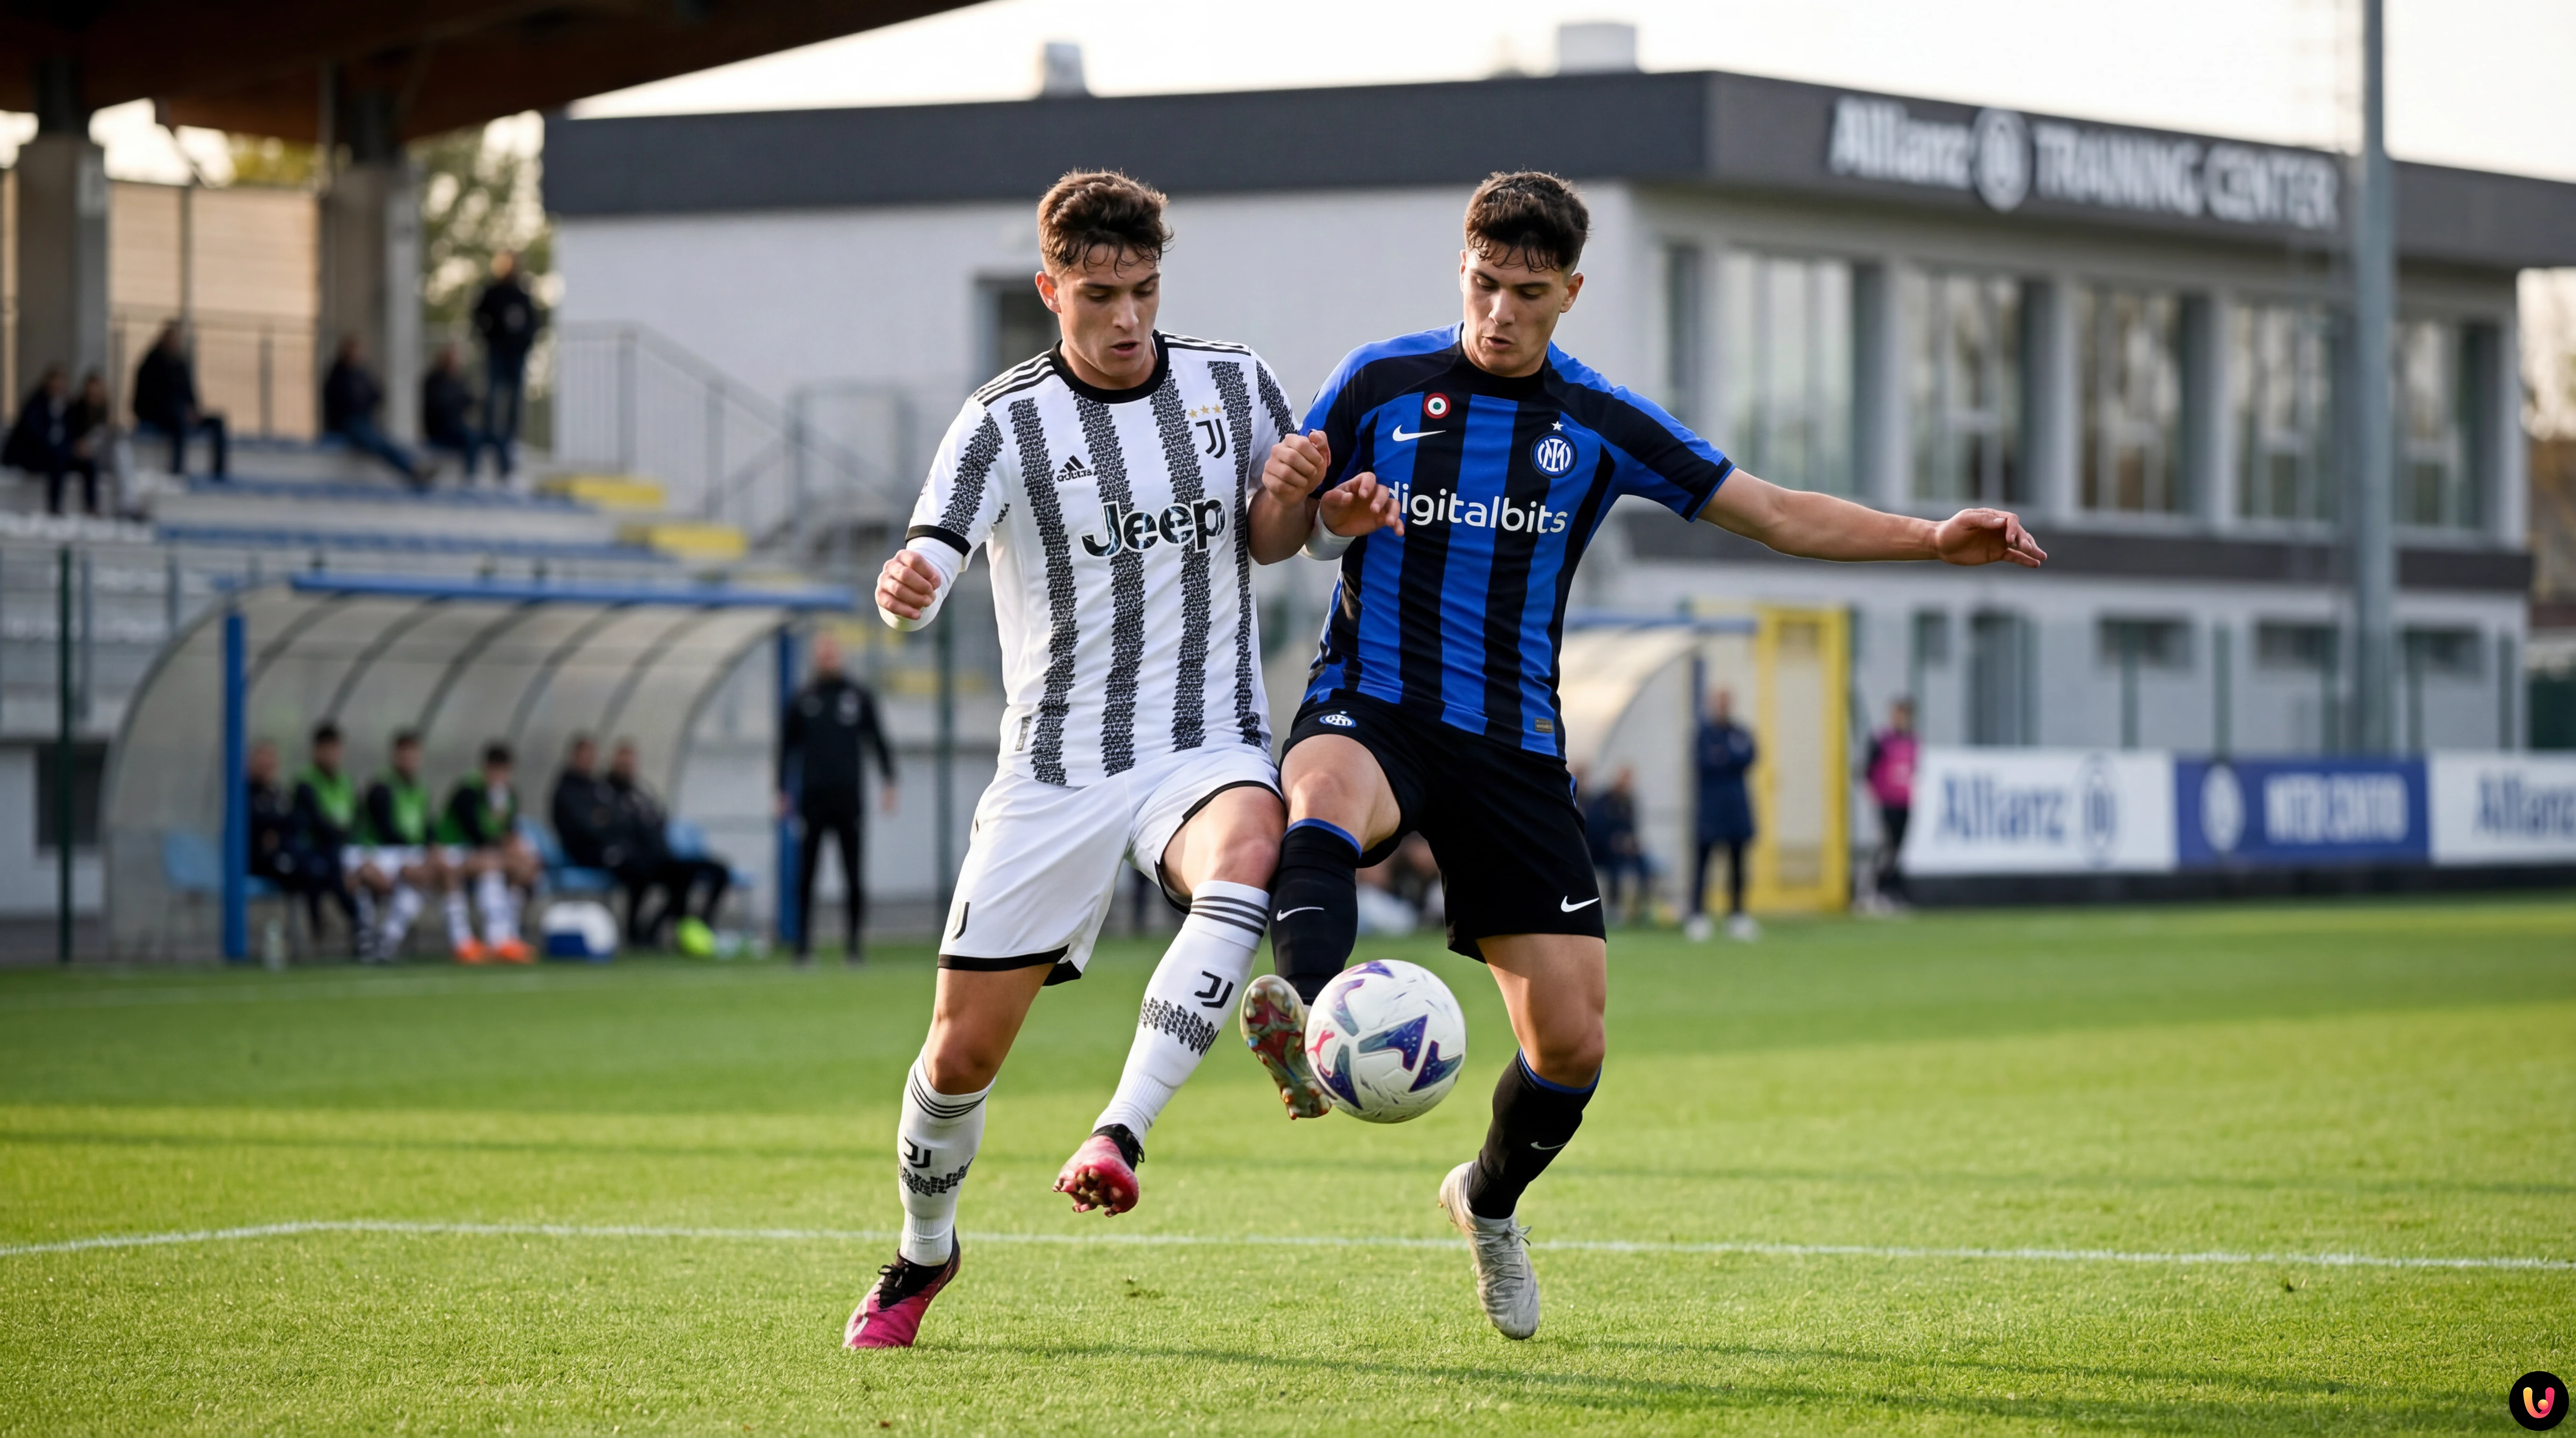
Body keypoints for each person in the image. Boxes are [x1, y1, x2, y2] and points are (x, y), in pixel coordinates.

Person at [1246, 171, 2045, 1342]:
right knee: (1317, 797)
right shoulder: (1378, 380)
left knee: (1571, 1040)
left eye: (1527, 291)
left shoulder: (1600, 421)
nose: (1500, 311)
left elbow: (1769, 511)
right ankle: (1317, 1022)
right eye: (1483, 283)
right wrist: (1317, 513)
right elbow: (1278, 537)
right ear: (1458, 269)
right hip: (1375, 697)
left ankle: (1486, 1199)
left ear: (1570, 290)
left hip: (1513, 746)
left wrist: (1929, 537)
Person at [847, 170, 1308, 1350]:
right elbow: (930, 551)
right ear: (1049, 287)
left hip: (1203, 739)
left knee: (1252, 848)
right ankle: (922, 1252)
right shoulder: (1000, 419)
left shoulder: (1233, 381)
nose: (1126, 317)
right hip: (1054, 766)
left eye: (1144, 290)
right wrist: (908, 586)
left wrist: (1320, 505)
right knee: (958, 1057)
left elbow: (1272, 533)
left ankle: (1120, 1131)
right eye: (1099, 293)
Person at [776, 632, 897, 966]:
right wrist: (781, 791)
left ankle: (854, 947)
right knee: (806, 875)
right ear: (816, 659)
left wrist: (889, 781)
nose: (828, 660)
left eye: (833, 654)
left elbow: (878, 739)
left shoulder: (857, 696)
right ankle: (802, 949)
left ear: (840, 657)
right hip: (812, 801)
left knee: (854, 875)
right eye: (823, 654)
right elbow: (786, 748)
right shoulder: (803, 698)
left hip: (849, 800)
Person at [353, 730, 468, 961]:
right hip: (382, 854)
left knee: (434, 871)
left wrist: (432, 847)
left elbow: (426, 827)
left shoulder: (420, 789)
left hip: (409, 854)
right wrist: (420, 855)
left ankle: (388, 941)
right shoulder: (381, 787)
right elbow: (387, 832)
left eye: (415, 756)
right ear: (395, 756)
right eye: (406, 755)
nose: (411, 761)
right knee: (425, 874)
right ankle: (460, 940)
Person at [608, 739, 730, 945]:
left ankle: (688, 927)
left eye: (630, 762)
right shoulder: (607, 793)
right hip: (632, 859)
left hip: (660, 856)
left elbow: (659, 818)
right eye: (623, 762)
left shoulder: (642, 790)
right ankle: (639, 934)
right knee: (642, 876)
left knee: (713, 872)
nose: (628, 766)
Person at [439, 742, 537, 963]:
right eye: (496, 770)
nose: (500, 776)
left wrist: (519, 855)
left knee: (514, 867)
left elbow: (510, 833)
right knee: (490, 867)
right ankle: (465, 942)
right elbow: (476, 836)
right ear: (486, 768)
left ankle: (506, 937)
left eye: (504, 771)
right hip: (455, 852)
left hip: (489, 856)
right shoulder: (468, 791)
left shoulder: (508, 795)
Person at [1687, 690, 1759, 943]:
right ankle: (1698, 916)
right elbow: (1705, 762)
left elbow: (1750, 757)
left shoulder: (1740, 732)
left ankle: (1737, 916)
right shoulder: (1704, 734)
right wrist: (1728, 758)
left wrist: (1725, 757)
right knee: (1704, 864)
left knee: (1738, 865)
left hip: (1737, 809)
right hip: (1710, 810)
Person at [290, 722, 364, 957]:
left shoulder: (346, 782)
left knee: (363, 871)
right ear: (317, 751)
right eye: (328, 749)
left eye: (336, 749)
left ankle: (365, 933)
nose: (333, 755)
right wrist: (341, 836)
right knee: (331, 869)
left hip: (343, 851)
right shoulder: (306, 782)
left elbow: (355, 823)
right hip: (315, 853)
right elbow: (318, 825)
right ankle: (355, 927)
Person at [472, 250, 541, 479]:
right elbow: (478, 317)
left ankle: (511, 439)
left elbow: (533, 323)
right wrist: (490, 336)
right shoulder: (492, 292)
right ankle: (491, 437)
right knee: (492, 397)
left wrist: (525, 343)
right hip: (497, 353)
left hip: (516, 354)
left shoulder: (522, 294)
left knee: (515, 400)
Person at [132, 322, 227, 478]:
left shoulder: (180, 364)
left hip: (181, 412)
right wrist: (181, 409)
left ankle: (219, 473)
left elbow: (190, 393)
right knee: (178, 419)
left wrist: (194, 411)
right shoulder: (151, 364)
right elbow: (150, 397)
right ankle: (177, 471)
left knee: (218, 421)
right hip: (157, 413)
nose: (175, 343)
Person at [323, 337, 422, 487]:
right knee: (379, 444)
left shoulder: (362, 373)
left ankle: (414, 466)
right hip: (348, 423)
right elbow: (342, 402)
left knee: (386, 442)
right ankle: (412, 470)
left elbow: (377, 394)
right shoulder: (338, 375)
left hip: (364, 420)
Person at [1863, 697, 1919, 910]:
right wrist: (1875, 795)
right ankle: (1877, 891)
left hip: (1905, 801)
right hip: (1885, 801)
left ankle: (1894, 892)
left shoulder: (1913, 741)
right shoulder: (1881, 740)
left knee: (1899, 848)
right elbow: (1868, 770)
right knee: (1886, 847)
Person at [1582, 765, 1648, 927]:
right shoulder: (1603, 801)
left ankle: (1640, 910)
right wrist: (1613, 841)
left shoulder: (1629, 802)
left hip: (1623, 850)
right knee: (1615, 866)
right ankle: (1614, 908)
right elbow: (1594, 828)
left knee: (1644, 865)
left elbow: (1632, 828)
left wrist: (1632, 842)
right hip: (1602, 850)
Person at [4, 367, 76, 511]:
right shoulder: (36, 403)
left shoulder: (65, 406)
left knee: (85, 464)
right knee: (58, 460)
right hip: (29, 455)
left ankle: (91, 506)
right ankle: (54, 506)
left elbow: (69, 432)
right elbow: (34, 434)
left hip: (52, 454)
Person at [421, 343, 484, 481]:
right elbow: (442, 407)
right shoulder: (433, 380)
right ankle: (471, 475)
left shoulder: (459, 381)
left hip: (457, 428)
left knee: (485, 434)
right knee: (470, 436)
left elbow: (469, 400)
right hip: (440, 431)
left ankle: (506, 472)